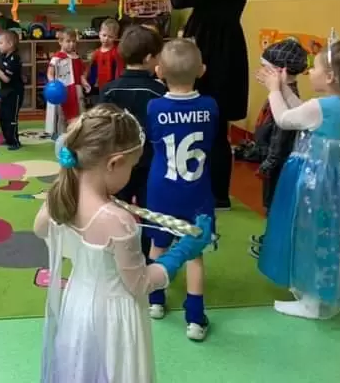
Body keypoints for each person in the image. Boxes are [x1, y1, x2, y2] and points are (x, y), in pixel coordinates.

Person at [35, 104, 213, 382]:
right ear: (114, 163)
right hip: (114, 317)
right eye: (131, 166)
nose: (131, 173)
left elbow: (40, 229)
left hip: (78, 304)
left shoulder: (60, 193)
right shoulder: (117, 220)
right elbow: (140, 283)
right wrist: (180, 252)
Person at [257, 36, 340, 320]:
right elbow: (302, 113)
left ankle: (311, 302)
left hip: (314, 183)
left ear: (330, 77)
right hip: (336, 183)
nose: (310, 71)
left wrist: (274, 90)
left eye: (315, 67)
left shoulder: (321, 107)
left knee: (309, 234)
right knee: (327, 235)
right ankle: (316, 292)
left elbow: (286, 119)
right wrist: (284, 88)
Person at [158, 0, 250, 210]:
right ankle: (204, 184)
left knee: (217, 126)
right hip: (212, 53)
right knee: (208, 124)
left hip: (220, 59)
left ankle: (219, 194)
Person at [144, 39, 218, 341]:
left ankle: (155, 301)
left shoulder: (154, 107)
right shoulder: (210, 106)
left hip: (162, 189)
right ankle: (195, 319)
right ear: (202, 70)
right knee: (194, 253)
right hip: (197, 192)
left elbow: (153, 139)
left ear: (159, 71)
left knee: (158, 244)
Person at [99, 25, 165, 256]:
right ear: (148, 58)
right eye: (157, 56)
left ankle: (116, 255)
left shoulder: (109, 90)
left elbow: (100, 129)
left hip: (116, 165)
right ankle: (147, 258)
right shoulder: (160, 92)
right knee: (149, 213)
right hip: (150, 165)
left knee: (115, 210)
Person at [249, 39, 308, 259]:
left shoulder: (285, 100)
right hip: (273, 159)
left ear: (279, 71)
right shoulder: (283, 94)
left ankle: (274, 246)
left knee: (276, 204)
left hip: (278, 163)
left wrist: (269, 163)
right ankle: (272, 239)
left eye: (265, 67)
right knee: (273, 203)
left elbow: (281, 138)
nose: (260, 71)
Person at [45, 28, 90, 138]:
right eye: (68, 41)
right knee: (62, 113)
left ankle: (77, 134)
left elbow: (80, 73)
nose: (72, 44)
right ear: (60, 42)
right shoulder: (57, 58)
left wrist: (84, 82)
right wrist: (53, 85)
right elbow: (50, 73)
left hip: (77, 89)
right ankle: (62, 135)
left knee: (80, 111)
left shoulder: (76, 57)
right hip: (62, 90)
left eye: (74, 41)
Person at [0, 30, 24, 150]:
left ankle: (14, 141)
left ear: (10, 44)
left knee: (11, 117)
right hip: (5, 91)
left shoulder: (15, 58)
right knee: (3, 116)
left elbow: (6, 78)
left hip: (14, 93)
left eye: (0, 43)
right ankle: (8, 138)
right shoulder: (2, 56)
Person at [89, 18, 124, 93]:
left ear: (115, 37)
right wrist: (92, 82)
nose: (106, 39)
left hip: (113, 86)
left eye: (110, 36)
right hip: (100, 85)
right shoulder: (96, 53)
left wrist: (118, 85)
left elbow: (120, 69)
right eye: (104, 35)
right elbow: (93, 69)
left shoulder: (116, 52)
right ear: (99, 34)